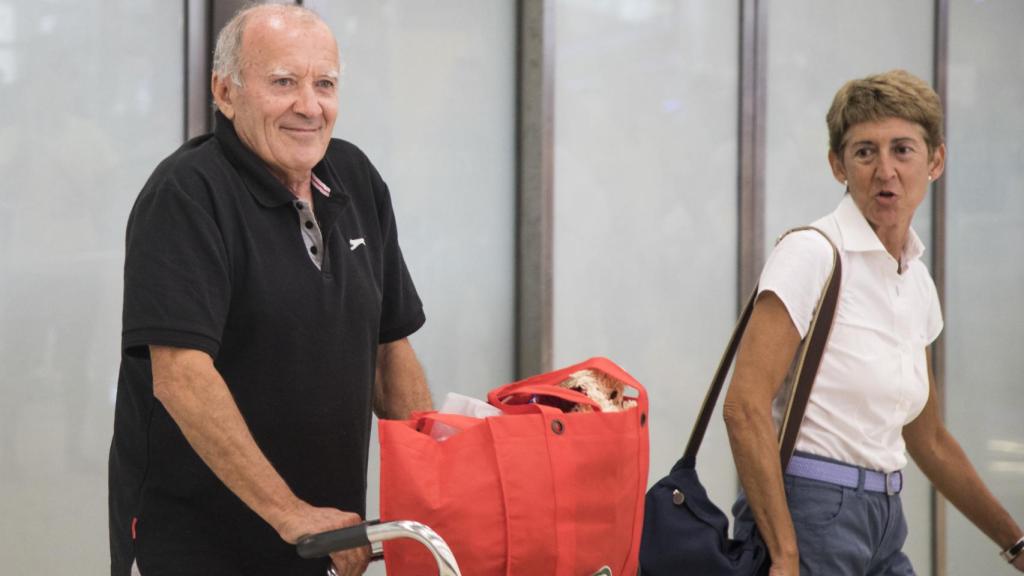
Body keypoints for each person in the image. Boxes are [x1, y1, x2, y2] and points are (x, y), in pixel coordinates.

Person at [107, 5, 433, 575]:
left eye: (324, 83)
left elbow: (388, 352)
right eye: (283, 82)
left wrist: (440, 487)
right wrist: (290, 513)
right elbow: (182, 377)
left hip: (324, 537)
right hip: (200, 546)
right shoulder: (186, 195)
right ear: (225, 92)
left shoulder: (355, 178)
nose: (309, 106)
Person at [723, 69, 1024, 575]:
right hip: (809, 511)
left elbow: (926, 438)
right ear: (838, 165)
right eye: (865, 152)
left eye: (902, 149)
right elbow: (744, 407)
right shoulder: (812, 254)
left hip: (886, 517)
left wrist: (1014, 542)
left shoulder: (916, 281)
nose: (885, 170)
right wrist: (785, 553)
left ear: (936, 161)